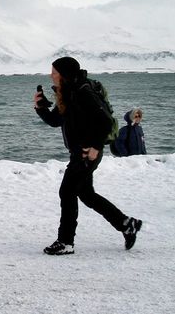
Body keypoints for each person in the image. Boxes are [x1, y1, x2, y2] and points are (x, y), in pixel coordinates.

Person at [34, 57, 142, 255]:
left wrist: (95, 146)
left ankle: (65, 242)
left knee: (67, 192)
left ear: (64, 74)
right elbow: (56, 120)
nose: (51, 75)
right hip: (81, 152)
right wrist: (40, 107)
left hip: (86, 153)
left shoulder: (83, 91)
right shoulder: (68, 92)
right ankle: (127, 224)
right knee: (86, 194)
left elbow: (105, 121)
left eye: (54, 72)